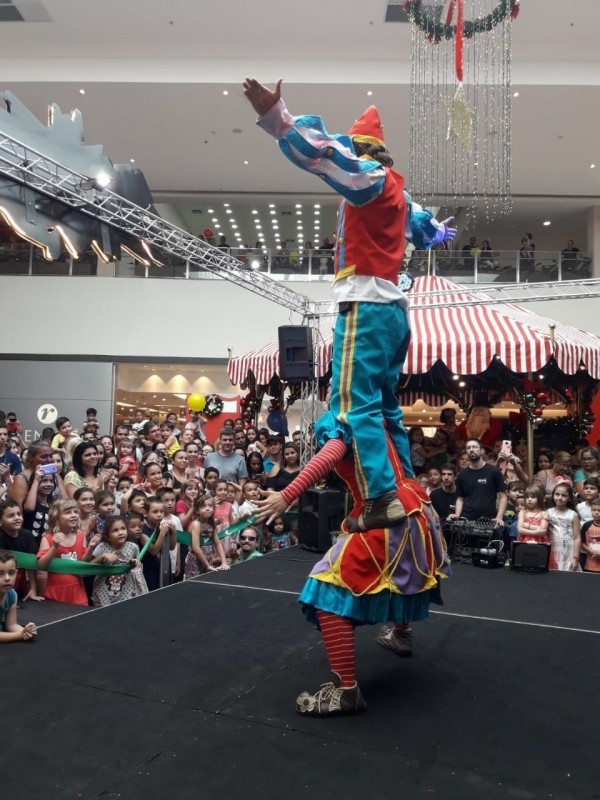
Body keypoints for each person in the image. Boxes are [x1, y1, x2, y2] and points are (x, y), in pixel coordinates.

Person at [243, 76, 456, 532]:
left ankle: (380, 497)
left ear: (364, 150)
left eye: (354, 148)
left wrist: (278, 118)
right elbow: (422, 226)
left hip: (366, 306)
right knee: (383, 407)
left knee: (351, 406)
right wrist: (435, 231)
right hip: (392, 311)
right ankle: (403, 486)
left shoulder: (372, 179)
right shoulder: (399, 193)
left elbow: (323, 155)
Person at [255, 412, 450, 717]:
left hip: (383, 514)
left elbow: (331, 452)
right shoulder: (378, 411)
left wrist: (286, 495)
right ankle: (401, 633)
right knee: (399, 573)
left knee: (325, 588)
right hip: (413, 505)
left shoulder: (344, 418)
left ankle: (346, 690)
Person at [37, 499, 95, 605]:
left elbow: (82, 564)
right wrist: (54, 547)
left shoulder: (80, 536)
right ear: (56, 518)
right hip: (55, 593)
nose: (73, 515)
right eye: (68, 512)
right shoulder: (48, 538)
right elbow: (41, 566)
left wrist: (91, 548)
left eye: (75, 512)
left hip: (77, 592)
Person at [89, 515, 148, 606]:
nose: (120, 533)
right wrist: (102, 557)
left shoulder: (133, 547)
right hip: (103, 592)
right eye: (115, 530)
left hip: (126, 591)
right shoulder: (102, 547)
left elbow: (138, 568)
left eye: (123, 528)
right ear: (108, 536)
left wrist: (135, 563)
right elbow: (90, 567)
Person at [448, 439, 507, 525]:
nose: (471, 449)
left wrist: (499, 517)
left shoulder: (493, 472)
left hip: (489, 521)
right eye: (468, 448)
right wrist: (457, 514)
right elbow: (460, 498)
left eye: (474, 447)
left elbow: (503, 497)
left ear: (482, 451)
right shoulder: (462, 475)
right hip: (467, 521)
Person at [0, 499, 43, 601]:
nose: (17, 518)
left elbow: (31, 564)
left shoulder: (27, 535)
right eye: (11, 516)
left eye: (19, 514)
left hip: (19, 582)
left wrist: (33, 589)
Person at [184, 493, 228, 577]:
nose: (208, 509)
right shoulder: (196, 524)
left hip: (208, 558)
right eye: (203, 506)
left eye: (210, 506)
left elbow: (217, 543)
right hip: (195, 560)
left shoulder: (211, 524)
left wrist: (224, 562)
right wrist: (207, 565)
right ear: (197, 510)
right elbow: (195, 547)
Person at [0, 551, 37, 643]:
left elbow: (11, 625)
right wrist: (19, 635)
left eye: (11, 573)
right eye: (0, 573)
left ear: (17, 573)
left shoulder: (12, 595)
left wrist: (26, 632)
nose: (7, 578)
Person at [547, 483, 581, 571]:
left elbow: (577, 538)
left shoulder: (573, 515)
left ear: (569, 498)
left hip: (569, 551)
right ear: (553, 495)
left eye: (564, 495)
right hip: (553, 550)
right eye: (557, 494)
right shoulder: (548, 513)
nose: (560, 498)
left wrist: (575, 558)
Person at [579, 497, 600, 573]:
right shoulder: (586, 525)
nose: (596, 512)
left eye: (599, 510)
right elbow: (581, 542)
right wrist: (590, 551)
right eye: (594, 510)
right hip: (589, 565)